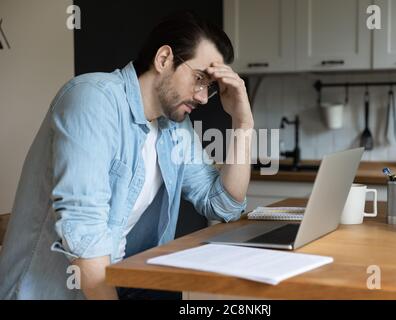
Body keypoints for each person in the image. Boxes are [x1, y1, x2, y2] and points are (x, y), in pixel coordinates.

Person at [0, 12, 253, 300]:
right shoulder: (93, 99)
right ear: (163, 59)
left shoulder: (174, 127)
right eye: (198, 78)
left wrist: (242, 124)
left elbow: (223, 205)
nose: (203, 97)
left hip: (121, 283)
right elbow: (85, 234)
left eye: (209, 86)